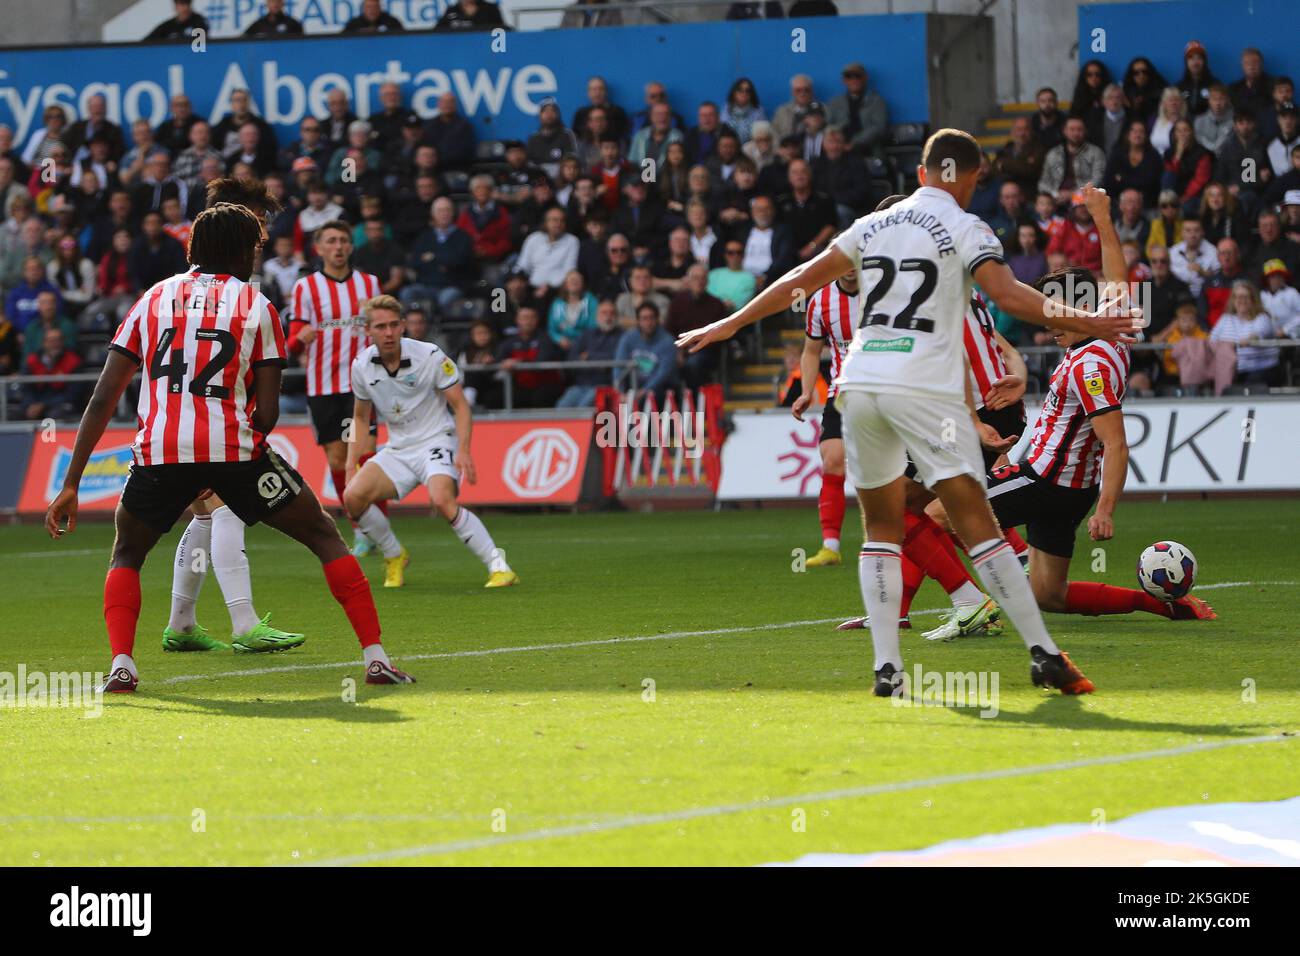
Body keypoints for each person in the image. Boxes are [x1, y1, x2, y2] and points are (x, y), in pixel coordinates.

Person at [676, 129, 1142, 697]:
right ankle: (1043, 654)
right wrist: (1093, 321)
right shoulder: (970, 228)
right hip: (921, 385)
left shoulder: (872, 225)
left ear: (920, 175)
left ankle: (887, 669)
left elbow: (799, 281)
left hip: (859, 384)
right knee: (975, 522)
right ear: (971, 178)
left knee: (881, 529)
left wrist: (728, 325)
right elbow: (1014, 297)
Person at [45, 202, 414, 693]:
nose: (257, 257)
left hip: (160, 451)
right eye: (255, 247)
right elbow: (267, 413)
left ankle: (122, 665)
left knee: (128, 555)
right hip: (233, 449)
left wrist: (71, 484)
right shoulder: (255, 304)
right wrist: (241, 453)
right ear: (241, 250)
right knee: (324, 537)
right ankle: (375, 659)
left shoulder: (152, 299)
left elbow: (103, 396)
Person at [928, 185, 1214, 625]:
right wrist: (1102, 216)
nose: (1049, 322)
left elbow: (1116, 443)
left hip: (1045, 482)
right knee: (1050, 595)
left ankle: (975, 601)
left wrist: (1107, 510)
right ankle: (1160, 604)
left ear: (1075, 309)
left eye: (1053, 312)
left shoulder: (1091, 366)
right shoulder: (1113, 334)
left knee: (937, 516)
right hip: (1070, 492)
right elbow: (1118, 278)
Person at [341, 296, 517, 590]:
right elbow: (360, 418)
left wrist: (463, 450)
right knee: (352, 497)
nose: (388, 333)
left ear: (402, 326)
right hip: (397, 449)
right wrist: (350, 465)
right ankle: (394, 554)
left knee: (442, 500)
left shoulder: (430, 355)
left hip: (436, 440)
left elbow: (461, 406)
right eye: (380, 326)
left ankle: (499, 566)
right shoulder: (361, 366)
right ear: (368, 330)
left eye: (394, 325)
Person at [288, 220, 383, 545]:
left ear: (350, 246)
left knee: (367, 456)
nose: (339, 246)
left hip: (361, 387)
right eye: (331, 241)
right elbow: (292, 341)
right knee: (338, 461)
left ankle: (375, 529)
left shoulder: (370, 284)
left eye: (344, 240)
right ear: (319, 248)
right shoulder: (306, 288)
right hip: (323, 385)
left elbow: (382, 328)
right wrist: (299, 340)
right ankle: (360, 527)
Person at [1210, 279, 1285, 386]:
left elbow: (1260, 332)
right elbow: (1212, 340)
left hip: (1260, 368)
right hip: (1231, 369)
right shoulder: (1225, 319)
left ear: (1253, 300)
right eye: (1238, 297)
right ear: (1233, 300)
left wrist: (1250, 339)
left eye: (1246, 297)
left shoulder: (1262, 317)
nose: (1242, 300)